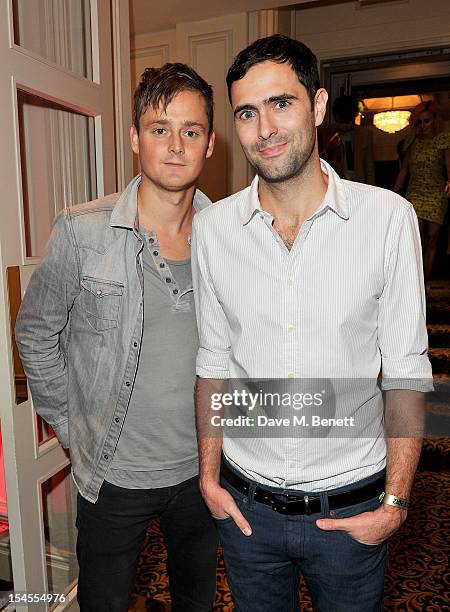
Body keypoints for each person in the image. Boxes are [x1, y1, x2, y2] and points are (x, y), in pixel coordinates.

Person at [192, 35, 432, 612]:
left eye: (282, 103)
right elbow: (213, 364)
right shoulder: (215, 230)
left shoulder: (387, 220)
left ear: (318, 106)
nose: (265, 128)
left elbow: (404, 372)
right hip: (246, 515)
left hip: (352, 515)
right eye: (247, 112)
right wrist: (208, 478)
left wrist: (394, 504)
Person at [15, 63, 218, 612]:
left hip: (204, 471)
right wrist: (68, 424)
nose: (175, 146)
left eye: (191, 131)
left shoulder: (230, 238)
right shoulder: (81, 231)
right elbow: (35, 333)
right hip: (112, 477)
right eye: (159, 129)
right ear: (134, 139)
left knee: (197, 602)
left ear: (210, 143)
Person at [394, 100, 450, 281]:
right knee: (417, 238)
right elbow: (404, 170)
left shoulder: (443, 139)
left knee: (432, 239)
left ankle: (425, 281)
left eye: (427, 121)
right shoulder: (411, 141)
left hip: (435, 193)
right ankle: (414, 279)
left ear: (435, 120)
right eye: (419, 122)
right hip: (415, 192)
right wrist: (394, 192)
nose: (423, 125)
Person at [319, 94, 375, 184]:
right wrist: (329, 147)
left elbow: (369, 166)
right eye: (341, 122)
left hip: (359, 183)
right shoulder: (326, 132)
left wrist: (372, 189)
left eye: (347, 122)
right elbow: (320, 161)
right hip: (336, 182)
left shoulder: (365, 134)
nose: (344, 126)